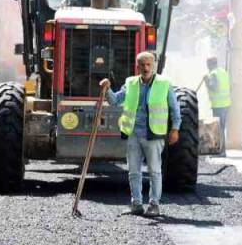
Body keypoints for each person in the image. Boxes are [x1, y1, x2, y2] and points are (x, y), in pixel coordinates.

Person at [99, 51, 180, 217]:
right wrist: (106, 89)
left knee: (155, 171)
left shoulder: (164, 83)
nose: (146, 67)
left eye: (149, 64)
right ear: (137, 66)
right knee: (133, 171)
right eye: (142, 64)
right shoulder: (130, 83)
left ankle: (154, 205)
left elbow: (174, 108)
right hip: (134, 134)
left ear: (154, 66)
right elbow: (115, 100)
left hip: (154, 135)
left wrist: (175, 129)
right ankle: (136, 204)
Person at [196, 56, 231, 157]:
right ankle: (222, 151)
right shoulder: (222, 72)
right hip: (225, 104)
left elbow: (214, 88)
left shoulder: (213, 74)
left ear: (209, 64)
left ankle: (222, 152)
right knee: (222, 128)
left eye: (207, 64)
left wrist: (207, 81)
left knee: (219, 129)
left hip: (219, 105)